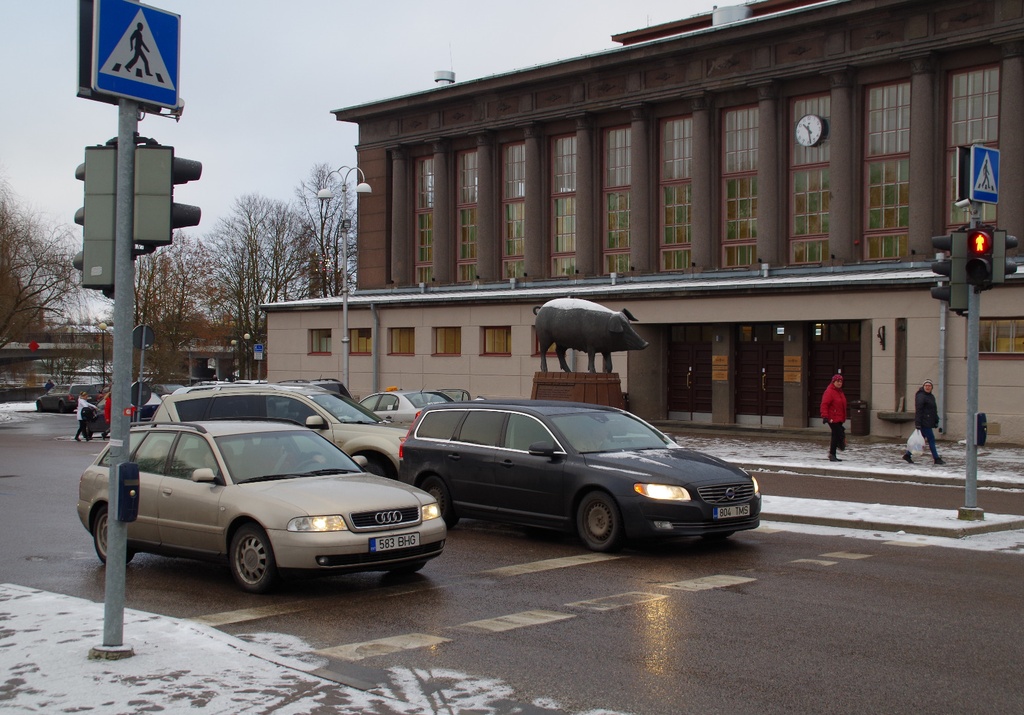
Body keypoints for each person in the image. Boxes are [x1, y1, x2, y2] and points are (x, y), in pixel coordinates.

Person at [904, 379, 944, 465]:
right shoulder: (921, 396)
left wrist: (936, 420)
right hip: (924, 423)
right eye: (926, 386)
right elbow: (919, 410)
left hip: (927, 422)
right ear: (923, 386)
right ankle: (936, 458)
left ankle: (908, 454)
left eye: (929, 386)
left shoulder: (930, 396)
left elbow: (933, 410)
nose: (928, 387)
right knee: (931, 440)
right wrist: (918, 423)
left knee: (919, 441)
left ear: (932, 387)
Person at [820, 374, 847, 462]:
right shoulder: (829, 391)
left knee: (836, 435)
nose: (839, 383)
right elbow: (824, 404)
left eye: (840, 381)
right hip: (832, 418)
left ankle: (832, 454)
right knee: (839, 433)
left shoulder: (840, 392)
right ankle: (838, 447)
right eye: (837, 381)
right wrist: (824, 416)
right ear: (833, 382)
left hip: (839, 417)